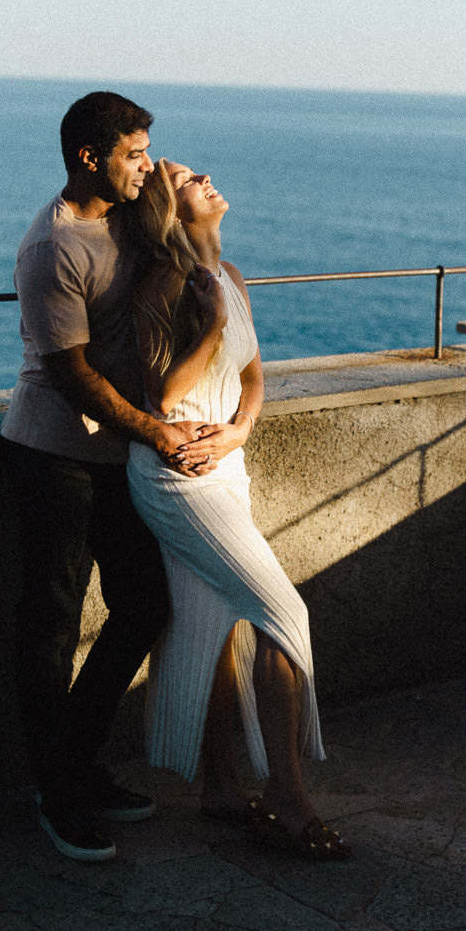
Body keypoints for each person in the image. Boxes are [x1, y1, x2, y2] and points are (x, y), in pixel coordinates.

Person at [0, 92, 209, 863]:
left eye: (148, 152)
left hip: (119, 454)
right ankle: (56, 792)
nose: (146, 166)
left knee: (142, 605)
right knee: (49, 625)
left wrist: (171, 179)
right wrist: (158, 432)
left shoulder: (127, 208)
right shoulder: (53, 249)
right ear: (90, 158)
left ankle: (76, 765)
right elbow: (71, 376)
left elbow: (187, 205)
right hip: (55, 457)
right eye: (133, 154)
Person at [126, 159, 351, 860]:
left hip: (228, 465)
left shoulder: (234, 276)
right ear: (172, 207)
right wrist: (213, 325)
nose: (209, 180)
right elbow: (164, 398)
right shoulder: (165, 282)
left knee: (215, 622)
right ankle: (286, 796)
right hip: (177, 477)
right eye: (192, 178)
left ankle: (222, 788)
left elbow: (253, 378)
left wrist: (242, 428)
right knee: (285, 616)